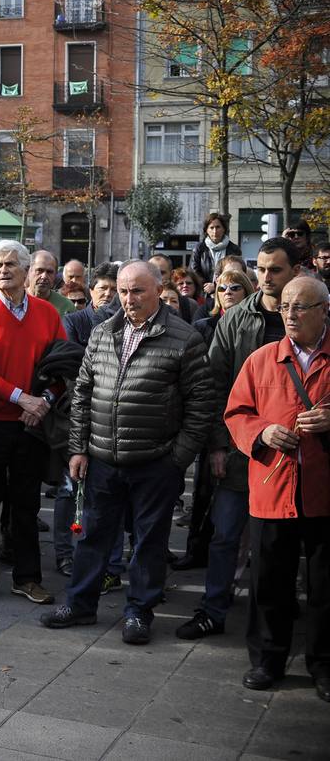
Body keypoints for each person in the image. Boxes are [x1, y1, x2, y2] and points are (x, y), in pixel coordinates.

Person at [41, 261, 216, 645]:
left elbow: (202, 405)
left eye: (137, 290)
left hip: (156, 462)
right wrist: (78, 449)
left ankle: (139, 612)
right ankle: (81, 604)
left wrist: (176, 459)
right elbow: (83, 394)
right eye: (123, 290)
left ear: (158, 289)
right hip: (102, 458)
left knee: (149, 542)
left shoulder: (184, 338)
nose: (128, 298)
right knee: (91, 536)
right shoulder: (104, 332)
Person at [178, 237, 304, 637]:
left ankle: (282, 612)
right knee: (225, 534)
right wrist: (216, 443)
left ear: (295, 272)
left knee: (286, 543)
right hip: (240, 448)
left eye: (276, 270)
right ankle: (213, 608)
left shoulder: (311, 320)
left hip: (296, 454)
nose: (266, 277)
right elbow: (213, 386)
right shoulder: (236, 320)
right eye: (261, 269)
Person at [223, 275, 329, 701]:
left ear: (324, 310)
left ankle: (323, 664)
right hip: (273, 487)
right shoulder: (263, 358)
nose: (290, 315)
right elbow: (236, 413)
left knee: (325, 585)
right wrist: (263, 432)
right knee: (269, 580)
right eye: (285, 307)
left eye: (300, 307)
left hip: (323, 490)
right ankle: (267, 658)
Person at [0, 239, 65, 605]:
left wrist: (44, 401)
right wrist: (20, 396)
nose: (3, 270)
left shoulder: (48, 315)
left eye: (10, 264)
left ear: (25, 270)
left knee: (26, 505)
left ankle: (28, 577)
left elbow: (62, 367)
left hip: (31, 424)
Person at [193, 268, 255, 346]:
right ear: (217, 295)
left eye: (234, 288)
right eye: (222, 288)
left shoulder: (257, 324)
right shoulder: (202, 327)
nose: (227, 292)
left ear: (246, 292)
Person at [65, 264, 118, 347]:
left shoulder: (125, 322)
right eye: (103, 288)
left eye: (114, 290)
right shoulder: (72, 321)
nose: (107, 294)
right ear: (91, 291)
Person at [191, 212, 242, 292]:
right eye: (211, 228)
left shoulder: (234, 249)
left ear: (224, 229)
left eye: (218, 227)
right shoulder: (199, 249)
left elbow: (237, 273)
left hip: (228, 291)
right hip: (204, 293)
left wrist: (216, 286)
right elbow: (194, 272)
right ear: (206, 230)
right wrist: (207, 286)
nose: (215, 231)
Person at [29, 250, 77, 318]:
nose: (44, 276)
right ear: (29, 271)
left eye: (49, 272)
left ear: (55, 275)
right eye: (39, 270)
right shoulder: (15, 301)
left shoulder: (66, 307)